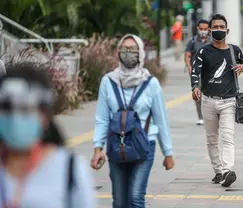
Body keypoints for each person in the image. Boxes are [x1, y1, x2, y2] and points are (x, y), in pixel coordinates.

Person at [90, 34, 174, 208]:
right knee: (119, 202)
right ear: (118, 52)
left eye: (133, 49)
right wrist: (97, 148)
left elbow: (161, 119)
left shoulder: (151, 83)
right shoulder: (108, 81)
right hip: (116, 145)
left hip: (144, 145)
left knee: (135, 198)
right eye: (124, 49)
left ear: (141, 53)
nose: (128, 53)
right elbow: (102, 118)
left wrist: (168, 153)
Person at [0, 62, 95, 208]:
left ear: (44, 115)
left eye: (25, 109)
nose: (15, 118)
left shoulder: (70, 171)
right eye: (7, 108)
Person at [191, 14, 243, 187]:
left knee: (228, 136)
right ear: (209, 31)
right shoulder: (203, 51)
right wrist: (195, 87)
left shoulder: (234, 50)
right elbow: (195, 71)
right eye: (215, 27)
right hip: (208, 101)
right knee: (211, 138)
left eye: (221, 27)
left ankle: (227, 170)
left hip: (229, 101)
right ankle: (218, 170)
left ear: (227, 30)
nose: (218, 30)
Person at [185, 19, 211, 126]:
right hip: (197, 72)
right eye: (201, 29)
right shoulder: (193, 41)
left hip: (210, 72)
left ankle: (210, 116)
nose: (203, 31)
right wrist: (189, 67)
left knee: (210, 95)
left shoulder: (212, 41)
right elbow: (187, 55)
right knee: (197, 94)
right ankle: (200, 117)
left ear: (209, 30)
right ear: (198, 29)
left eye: (205, 29)